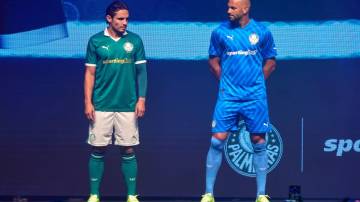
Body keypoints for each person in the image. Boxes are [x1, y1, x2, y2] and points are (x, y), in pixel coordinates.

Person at [200, 0, 277, 202]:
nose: (228, 11)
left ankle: (261, 195)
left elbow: (271, 60)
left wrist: (256, 82)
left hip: (255, 97)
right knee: (216, 140)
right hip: (229, 96)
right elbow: (213, 61)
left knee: (259, 142)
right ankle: (208, 194)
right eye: (228, 7)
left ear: (245, 8)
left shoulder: (262, 31)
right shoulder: (219, 32)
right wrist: (226, 83)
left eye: (233, 8)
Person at [84, 1, 147, 202]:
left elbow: (142, 72)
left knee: (128, 149)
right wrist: (88, 102)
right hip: (101, 104)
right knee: (98, 148)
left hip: (127, 105)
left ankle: (131, 195)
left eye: (127, 19)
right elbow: (90, 74)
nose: (125, 23)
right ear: (109, 19)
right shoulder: (95, 41)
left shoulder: (135, 41)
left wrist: (142, 99)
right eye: (120, 19)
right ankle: (94, 195)